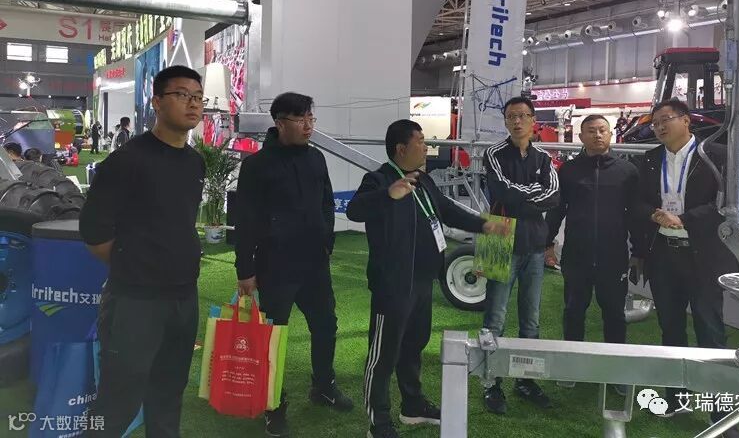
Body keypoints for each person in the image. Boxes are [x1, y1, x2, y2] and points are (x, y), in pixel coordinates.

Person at [346, 120, 509, 438]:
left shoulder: (423, 179)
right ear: (401, 149)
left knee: (413, 347)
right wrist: (388, 194)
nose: (426, 146)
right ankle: (379, 422)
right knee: (383, 356)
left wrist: (483, 225)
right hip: (393, 287)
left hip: (422, 283)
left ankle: (412, 406)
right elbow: (355, 210)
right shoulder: (379, 179)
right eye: (420, 141)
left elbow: (446, 210)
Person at [79, 65, 206, 437]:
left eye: (198, 97)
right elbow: (94, 231)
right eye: (182, 95)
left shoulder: (194, 162)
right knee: (118, 402)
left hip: (183, 298)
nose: (193, 104)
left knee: (168, 395)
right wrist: (134, 264)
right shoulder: (128, 160)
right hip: (136, 302)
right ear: (157, 102)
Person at [235, 92, 352, 438]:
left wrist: (327, 241)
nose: (308, 126)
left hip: (314, 263)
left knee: (325, 325)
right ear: (280, 123)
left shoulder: (316, 158)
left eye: (311, 119)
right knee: (273, 336)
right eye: (301, 119)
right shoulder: (257, 166)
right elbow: (245, 221)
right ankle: (274, 404)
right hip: (275, 265)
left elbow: (327, 202)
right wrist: (245, 270)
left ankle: (323, 386)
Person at [630, 99, 739, 436]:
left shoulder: (716, 155)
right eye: (655, 123)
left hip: (703, 256)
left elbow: (728, 203)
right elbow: (636, 202)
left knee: (710, 331)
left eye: (666, 119)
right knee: (671, 329)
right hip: (664, 256)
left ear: (686, 120)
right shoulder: (650, 160)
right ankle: (675, 399)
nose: (660, 127)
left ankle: (720, 412)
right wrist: (653, 216)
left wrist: (686, 219)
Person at [545, 115, 638, 392]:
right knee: (574, 311)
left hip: (614, 256)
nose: (597, 135)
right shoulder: (569, 171)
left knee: (615, 314)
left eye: (602, 130)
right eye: (591, 131)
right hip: (577, 255)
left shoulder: (627, 171)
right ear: (581, 136)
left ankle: (616, 372)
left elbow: (635, 215)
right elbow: (557, 209)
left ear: (610, 134)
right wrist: (547, 242)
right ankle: (572, 366)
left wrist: (639, 251)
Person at [481, 96, 560, 414]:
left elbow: (553, 195)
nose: (517, 121)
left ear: (533, 120)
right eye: (511, 116)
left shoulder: (544, 157)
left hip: (534, 244)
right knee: (494, 318)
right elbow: (502, 192)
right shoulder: (493, 153)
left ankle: (526, 380)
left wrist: (522, 197)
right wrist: (533, 194)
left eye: (523, 115)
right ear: (505, 121)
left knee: (531, 319)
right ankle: (491, 383)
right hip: (497, 237)